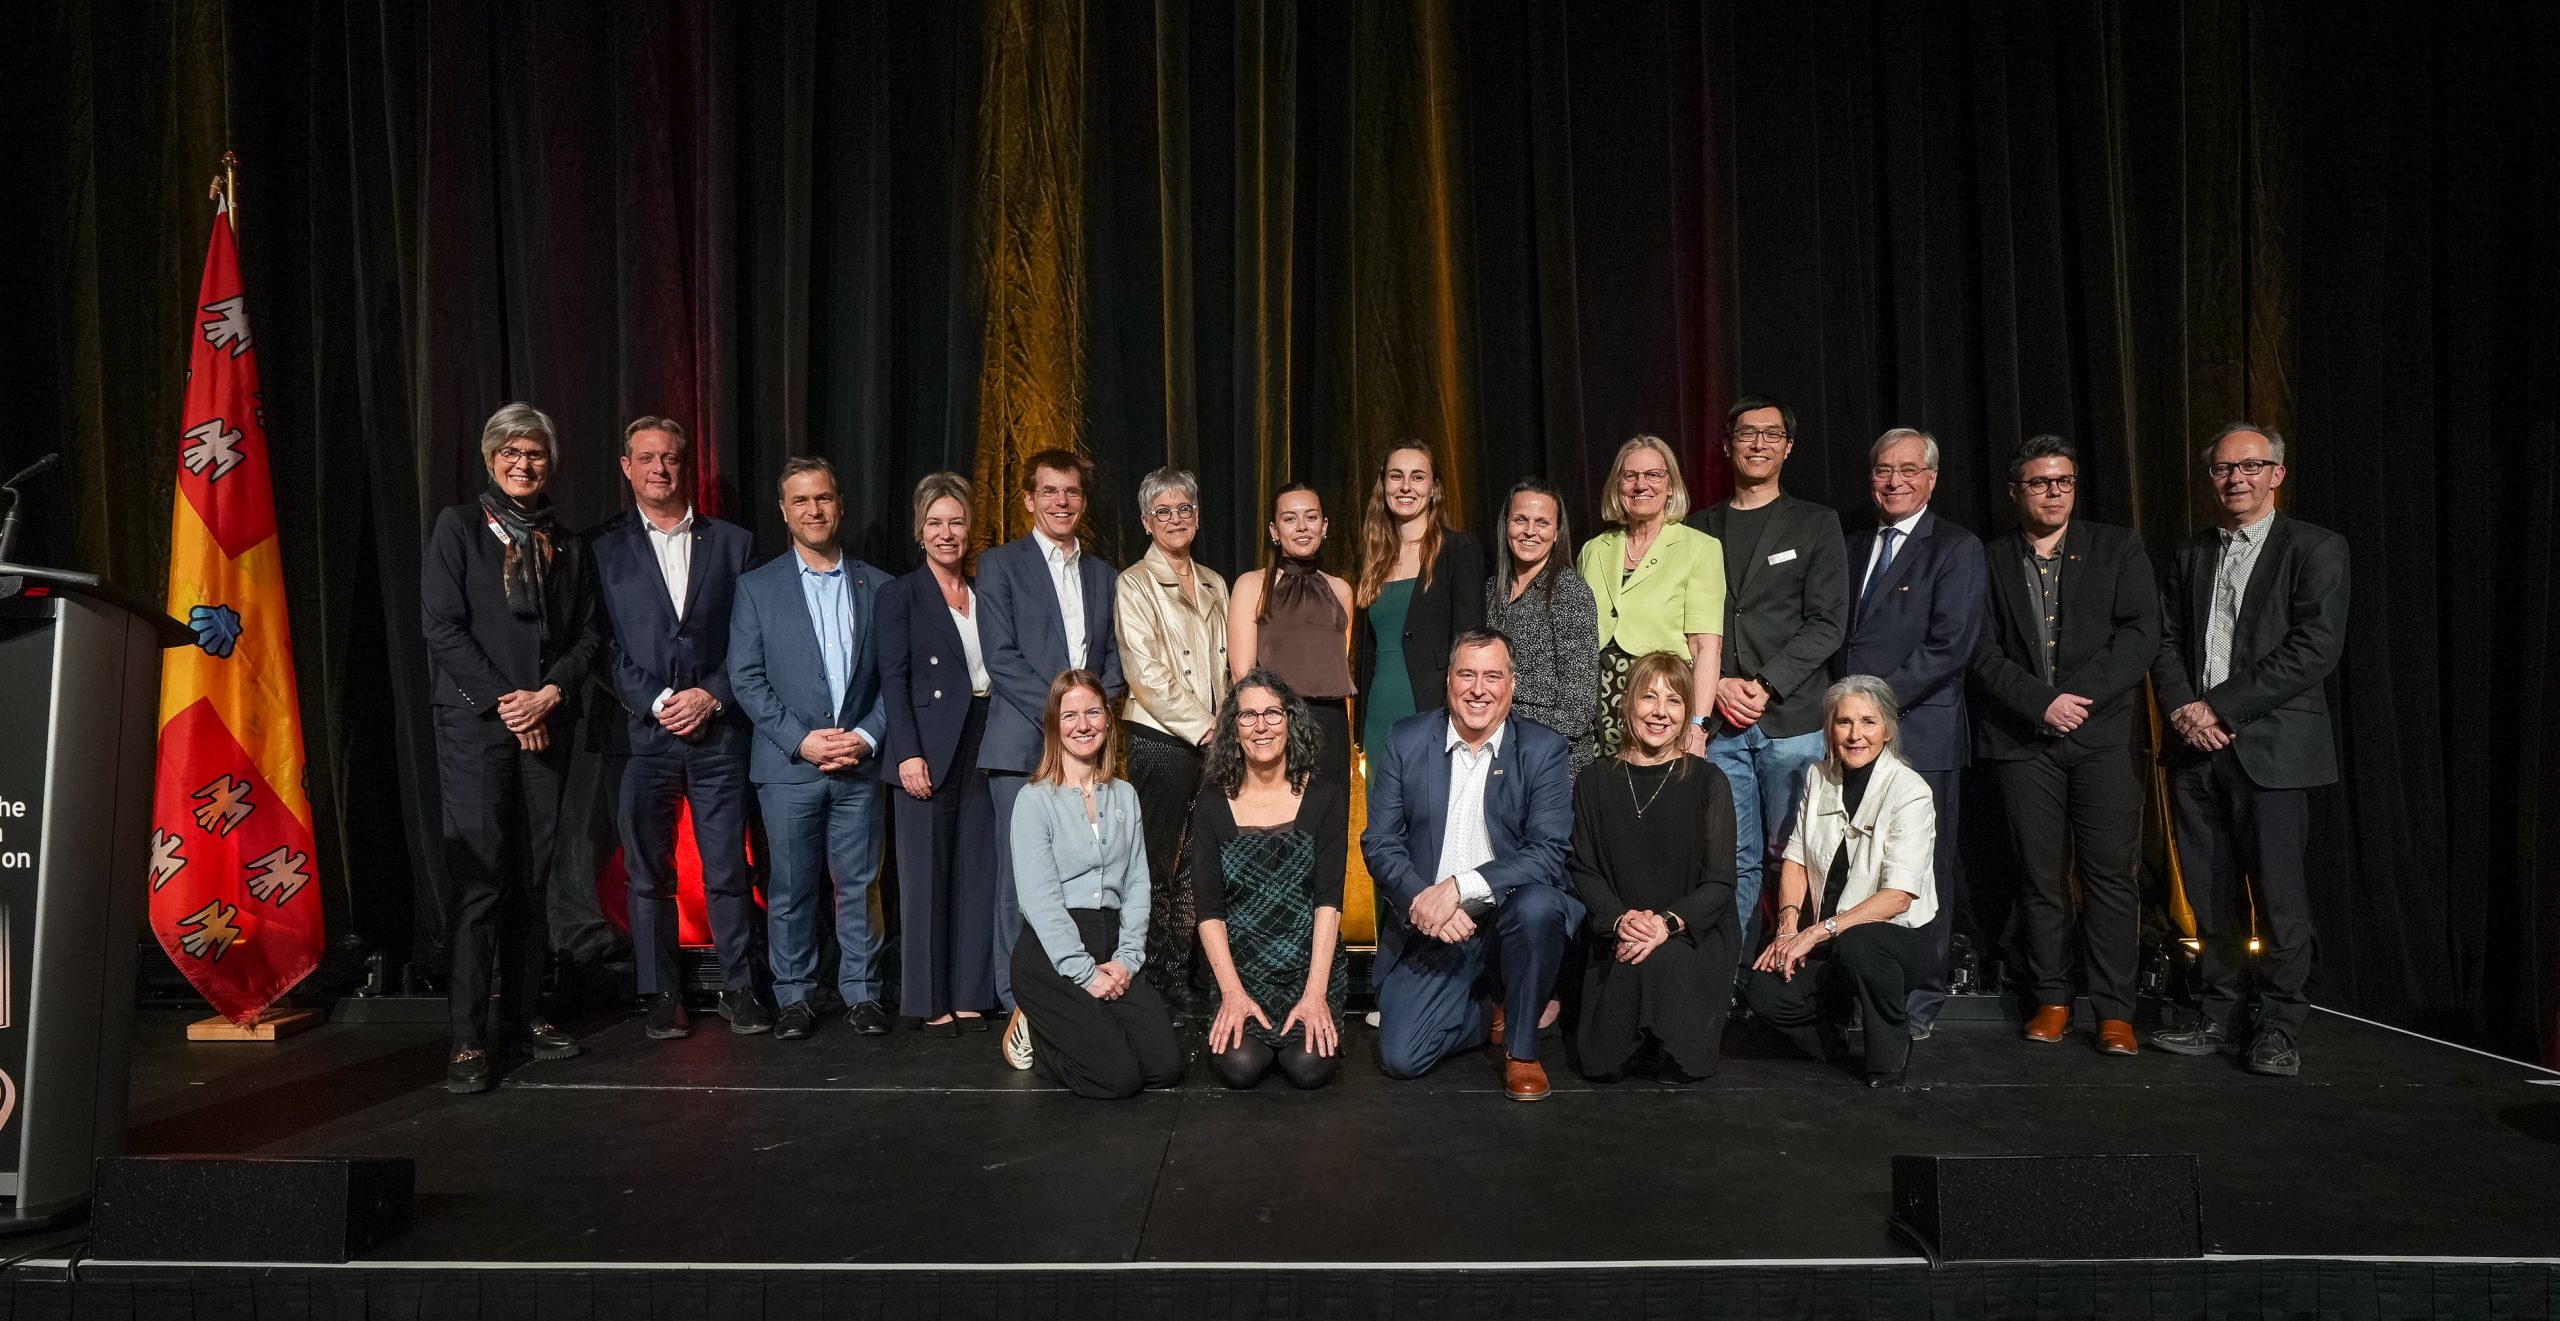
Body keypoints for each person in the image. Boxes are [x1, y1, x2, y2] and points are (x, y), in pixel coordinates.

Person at [2150, 423, 2349, 1077]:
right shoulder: (2189, 554)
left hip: (2274, 750)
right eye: (2222, 469)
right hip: (2195, 750)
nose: (2235, 479)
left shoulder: (2316, 547)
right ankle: (2220, 1015)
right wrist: (2184, 709)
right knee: (2209, 897)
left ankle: (2280, 1026)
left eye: (2250, 467)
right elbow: (2166, 640)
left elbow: (2312, 649)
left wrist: (2220, 707)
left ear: (2276, 475)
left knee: (2280, 900)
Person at [422, 401, 604, 1094]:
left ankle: (522, 1018)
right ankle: (469, 1038)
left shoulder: (567, 540)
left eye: (535, 454)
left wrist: (549, 695)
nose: (523, 464)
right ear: (490, 458)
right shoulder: (460, 528)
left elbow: (588, 636)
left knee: (533, 882)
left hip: (547, 724)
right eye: (511, 453)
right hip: (475, 727)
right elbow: (441, 627)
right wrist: (509, 703)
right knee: (481, 883)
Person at [1970, 435, 2160, 1055]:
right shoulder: (1990, 558)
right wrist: (2038, 703)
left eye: (2064, 481)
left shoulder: (2117, 546)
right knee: (2040, 876)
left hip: (2103, 737)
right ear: (2015, 491)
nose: (2054, 492)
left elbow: (2140, 636)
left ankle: (2114, 1011)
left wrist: (2076, 700)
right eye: (2040, 482)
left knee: (2110, 876)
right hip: (2023, 739)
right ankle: (2051, 997)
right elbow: (1980, 650)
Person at [587, 415, 767, 1041]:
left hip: (718, 735)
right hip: (641, 738)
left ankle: (740, 989)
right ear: (627, 467)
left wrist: (711, 696)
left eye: (670, 458)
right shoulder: (600, 547)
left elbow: (753, 641)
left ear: (684, 465)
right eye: (647, 458)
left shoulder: (735, 544)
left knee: (726, 870)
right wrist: (661, 699)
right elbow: (599, 643)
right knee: (648, 874)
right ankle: (660, 993)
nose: (660, 469)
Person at [1360, 629, 1579, 1101]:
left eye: (1493, 676)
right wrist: (1422, 898)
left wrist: (1460, 887)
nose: (1479, 688)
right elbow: (1379, 842)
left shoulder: (1542, 750)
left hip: (1507, 919)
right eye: (1467, 674)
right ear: (1449, 681)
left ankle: (1522, 1052)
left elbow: (1548, 851)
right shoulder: (1407, 738)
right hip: (1432, 925)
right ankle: (1488, 1013)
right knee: (1401, 1057)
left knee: (1541, 905)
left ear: (1511, 685)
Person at [727, 456, 894, 1042]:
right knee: (791, 887)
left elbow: (894, 680)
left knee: (860, 886)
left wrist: (865, 736)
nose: (814, 510)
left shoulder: (880, 586)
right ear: (784, 511)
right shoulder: (757, 587)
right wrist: (802, 741)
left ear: (839, 504)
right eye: (801, 501)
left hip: (860, 763)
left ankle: (863, 993)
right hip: (789, 767)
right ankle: (794, 996)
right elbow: (745, 678)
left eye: (823, 498)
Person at [1686, 396, 1849, 968]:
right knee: (1729, 857)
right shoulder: (1697, 527)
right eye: (1746, 433)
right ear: (1727, 445)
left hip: (1791, 720)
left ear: (1788, 447)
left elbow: (1828, 622)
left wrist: (1764, 682)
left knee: (1799, 855)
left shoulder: (1815, 522)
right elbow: (1683, 622)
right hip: (1719, 722)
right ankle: (1723, 978)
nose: (1758, 444)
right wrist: (1721, 683)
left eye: (1771, 434)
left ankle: (1795, 973)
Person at [977, 449, 1124, 1066]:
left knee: (1080, 884)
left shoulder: (1103, 574)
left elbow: (1114, 658)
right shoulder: (1000, 564)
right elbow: (1000, 655)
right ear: (1029, 500)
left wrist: (1092, 716)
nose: (1061, 502)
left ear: (1082, 503)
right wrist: (1067, 716)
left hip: (1087, 755)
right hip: (1021, 750)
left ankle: (1074, 993)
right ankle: (1023, 1009)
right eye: (1049, 492)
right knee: (1022, 886)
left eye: (1072, 493)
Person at [1842, 427, 1985, 1034]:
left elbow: (1949, 647)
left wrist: (1873, 708)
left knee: (1919, 874)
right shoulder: (1852, 546)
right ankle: (1862, 991)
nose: (1893, 481)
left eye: (1907, 470)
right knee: (1860, 868)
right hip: (1852, 741)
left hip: (1919, 737)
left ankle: (1921, 997)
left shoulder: (1955, 547)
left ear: (1931, 479)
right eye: (1882, 470)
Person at [1746, 675, 1941, 1088]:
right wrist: (1786, 929)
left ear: (1887, 730)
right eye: (1844, 722)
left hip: (1896, 942)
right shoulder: (1820, 776)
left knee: (1860, 943)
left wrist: (1816, 932)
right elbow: (1796, 856)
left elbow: (1899, 897)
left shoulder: (1910, 791)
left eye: (1868, 722)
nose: (1855, 735)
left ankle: (1889, 1054)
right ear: (1829, 728)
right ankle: (1830, 1044)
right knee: (1765, 990)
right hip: (1830, 941)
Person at [1007, 670, 1185, 1099]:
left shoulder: (1124, 795)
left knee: (1164, 1068)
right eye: (1069, 716)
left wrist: (1127, 959)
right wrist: (1084, 974)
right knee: (1117, 1078)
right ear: (1054, 724)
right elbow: (1040, 901)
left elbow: (1139, 883)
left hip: (1112, 948)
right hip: (1054, 955)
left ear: (1108, 719)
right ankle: (1039, 1033)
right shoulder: (1034, 800)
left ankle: (1084, 1027)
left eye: (1092, 713)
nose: (1082, 725)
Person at [1569, 651, 1739, 1084]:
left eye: (1674, 701)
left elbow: (1719, 881)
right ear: (1628, 705)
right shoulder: (1594, 781)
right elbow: (1583, 868)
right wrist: (1622, 921)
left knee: (1664, 978)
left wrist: (1665, 925)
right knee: (1600, 1065)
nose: (1660, 712)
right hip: (1621, 935)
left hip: (1690, 937)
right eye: (1648, 697)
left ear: (1687, 713)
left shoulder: (1707, 781)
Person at [879, 472, 1001, 1037]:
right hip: (926, 744)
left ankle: (973, 991)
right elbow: (894, 678)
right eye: (935, 523)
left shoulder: (984, 591)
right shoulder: (900, 594)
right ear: (919, 530)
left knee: (978, 870)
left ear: (970, 526)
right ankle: (929, 999)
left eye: (956, 521)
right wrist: (907, 753)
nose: (947, 532)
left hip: (984, 735)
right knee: (926, 876)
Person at [1191, 671, 1348, 1090]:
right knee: (1241, 1066)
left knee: (1308, 1067)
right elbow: (1209, 910)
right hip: (1242, 973)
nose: (1261, 726)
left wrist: (1315, 994)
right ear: (1233, 729)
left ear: (1290, 720)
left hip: (1308, 969)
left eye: (1272, 714)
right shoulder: (1210, 803)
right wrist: (1231, 992)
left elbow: (1328, 901)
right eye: (1248, 716)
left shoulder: (1325, 795)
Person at [1114, 467, 1231, 1014]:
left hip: (1214, 739)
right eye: (1164, 511)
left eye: (1185, 509)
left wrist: (1227, 729)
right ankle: (1155, 978)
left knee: (1198, 864)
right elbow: (1145, 672)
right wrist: (1205, 727)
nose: (1176, 519)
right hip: (1161, 738)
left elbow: (1229, 669)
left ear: (1198, 515)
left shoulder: (1214, 581)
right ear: (1146, 521)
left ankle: (1189, 974)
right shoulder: (1133, 582)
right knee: (1158, 863)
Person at [1578, 435, 1725, 759]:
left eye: (1653, 475)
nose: (1640, 484)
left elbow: (1706, 647)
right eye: (1630, 476)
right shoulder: (1593, 550)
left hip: (1661, 709)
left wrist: (1697, 726)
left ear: (1670, 485)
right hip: (1594, 714)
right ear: (1618, 485)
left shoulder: (1700, 548)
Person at [1353, 442, 1486, 773]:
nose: (1406, 486)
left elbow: (1468, 644)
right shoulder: (1372, 557)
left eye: (1418, 476)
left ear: (1434, 487)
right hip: (1378, 709)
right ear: (1383, 485)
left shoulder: (1459, 551)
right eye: (1396, 476)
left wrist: (1457, 716)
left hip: (1433, 709)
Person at [1227, 484, 1356, 796]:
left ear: (1324, 527)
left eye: (1310, 517)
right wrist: (1263, 730)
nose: (1301, 527)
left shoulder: (1340, 590)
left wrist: (1349, 745)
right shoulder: (1251, 585)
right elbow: (1241, 676)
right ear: (1274, 529)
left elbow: (1340, 672)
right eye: (1290, 519)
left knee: (1331, 828)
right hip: (1275, 724)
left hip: (1332, 725)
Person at [1483, 478, 1601, 775]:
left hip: (1552, 761)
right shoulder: (1488, 591)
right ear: (1506, 524)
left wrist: (1517, 742)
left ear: (1557, 532)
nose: (1530, 531)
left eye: (1542, 522)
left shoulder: (1570, 592)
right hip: (1494, 754)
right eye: (1520, 520)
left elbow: (1579, 706)